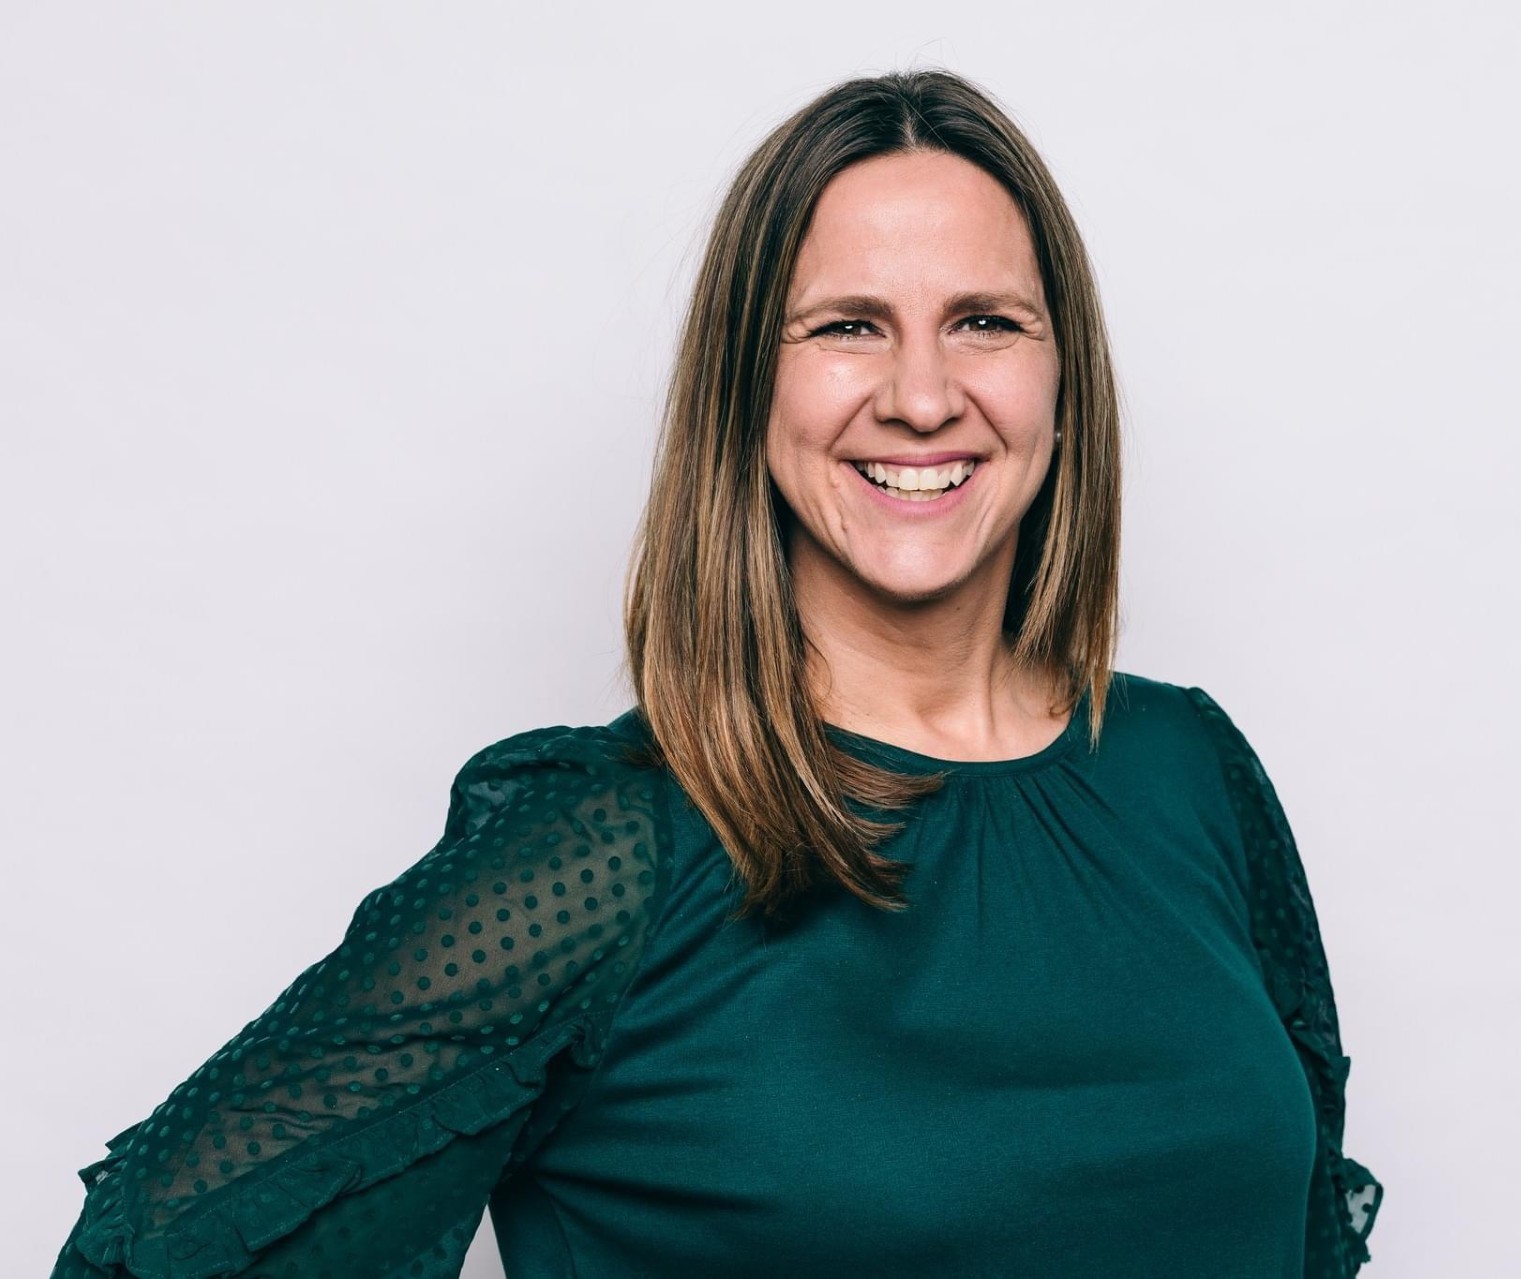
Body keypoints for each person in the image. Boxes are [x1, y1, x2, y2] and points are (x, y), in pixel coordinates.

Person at [51, 69, 1382, 1278]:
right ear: (748, 387)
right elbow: (162, 1247)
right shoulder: (610, 848)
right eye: (847, 327)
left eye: (984, 321)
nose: (923, 396)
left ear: (1061, 379)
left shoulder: (1192, 775)